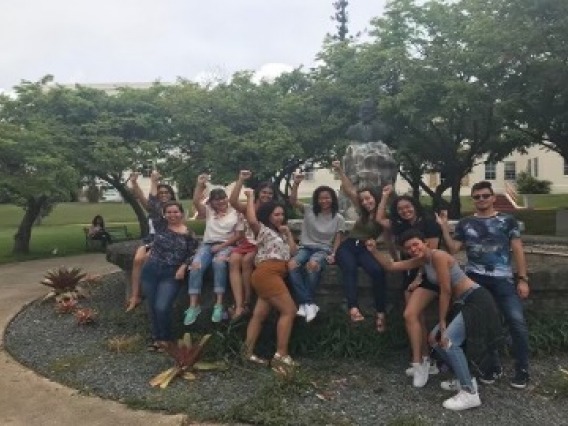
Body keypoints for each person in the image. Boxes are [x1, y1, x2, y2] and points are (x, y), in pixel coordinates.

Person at [366, 229, 502, 411]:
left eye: (416, 244)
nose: (413, 249)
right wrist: (374, 251)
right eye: (409, 248)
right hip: (463, 302)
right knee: (434, 340)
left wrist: (443, 322)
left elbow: (445, 290)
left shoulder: (438, 256)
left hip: (476, 299)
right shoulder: (423, 260)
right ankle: (465, 379)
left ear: (426, 243)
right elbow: (392, 266)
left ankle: (470, 393)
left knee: (448, 341)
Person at [437, 180, 531, 389]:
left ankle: (522, 368)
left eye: (485, 196)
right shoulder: (466, 223)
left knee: (517, 322)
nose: (481, 199)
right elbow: (453, 249)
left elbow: (517, 249)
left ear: (493, 197)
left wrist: (522, 278)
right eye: (477, 196)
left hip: (503, 280)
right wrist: (444, 228)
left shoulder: (507, 221)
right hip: (475, 281)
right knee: (481, 325)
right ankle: (492, 366)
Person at [376, 185, 442, 386]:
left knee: (411, 315)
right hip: (409, 272)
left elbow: (428, 257)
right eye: (400, 209)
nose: (405, 211)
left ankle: (419, 362)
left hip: (429, 273)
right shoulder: (401, 227)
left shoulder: (429, 224)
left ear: (415, 206)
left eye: (408, 207)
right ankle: (425, 359)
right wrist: (385, 196)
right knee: (415, 318)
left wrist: (417, 279)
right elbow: (379, 220)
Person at [241, 188, 299, 371]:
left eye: (282, 214)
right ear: (268, 216)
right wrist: (251, 197)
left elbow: (293, 252)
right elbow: (251, 220)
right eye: (276, 215)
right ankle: (281, 355)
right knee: (289, 310)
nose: (280, 218)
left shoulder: (280, 234)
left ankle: (247, 353)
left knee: (259, 315)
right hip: (268, 273)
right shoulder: (264, 230)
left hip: (271, 275)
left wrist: (288, 234)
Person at [331, 160, 388, 332]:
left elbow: (387, 232)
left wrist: (384, 197)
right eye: (362, 200)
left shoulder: (384, 213)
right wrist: (340, 170)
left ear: (375, 197)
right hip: (348, 246)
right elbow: (349, 190)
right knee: (350, 268)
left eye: (368, 198)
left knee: (378, 272)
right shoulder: (362, 210)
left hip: (365, 248)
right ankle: (353, 308)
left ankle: (381, 313)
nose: (365, 202)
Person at [288, 172, 346, 322]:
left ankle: (304, 303)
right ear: (317, 199)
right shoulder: (309, 210)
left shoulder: (338, 218)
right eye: (321, 198)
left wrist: (334, 253)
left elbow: (338, 238)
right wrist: (296, 183)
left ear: (332, 199)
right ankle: (308, 303)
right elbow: (293, 201)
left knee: (312, 265)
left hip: (323, 249)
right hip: (305, 247)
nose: (324, 200)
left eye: (327, 197)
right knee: (292, 264)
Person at [184, 175, 241, 325]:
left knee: (219, 263)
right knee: (196, 265)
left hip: (227, 245)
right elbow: (196, 201)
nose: (221, 201)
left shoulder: (235, 212)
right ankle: (193, 305)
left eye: (223, 198)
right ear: (212, 201)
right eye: (217, 199)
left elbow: (237, 236)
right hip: (208, 244)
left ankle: (219, 303)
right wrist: (199, 184)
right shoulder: (209, 211)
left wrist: (221, 247)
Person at [140, 201, 198, 352]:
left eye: (176, 212)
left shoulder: (188, 234)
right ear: (164, 214)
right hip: (151, 270)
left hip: (171, 273)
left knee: (162, 306)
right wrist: (153, 181)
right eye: (169, 212)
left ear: (182, 213)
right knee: (152, 307)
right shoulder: (160, 225)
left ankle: (166, 339)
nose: (172, 215)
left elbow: (193, 253)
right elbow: (152, 205)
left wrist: (183, 267)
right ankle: (157, 338)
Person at [228, 170, 275, 320]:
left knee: (247, 260)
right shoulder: (250, 205)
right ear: (258, 193)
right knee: (234, 260)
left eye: (269, 193)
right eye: (264, 192)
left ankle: (247, 301)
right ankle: (239, 303)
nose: (266, 195)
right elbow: (233, 201)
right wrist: (240, 180)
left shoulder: (272, 209)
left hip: (260, 243)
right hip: (246, 242)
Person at [126, 171, 176, 312]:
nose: (163, 194)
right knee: (137, 260)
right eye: (161, 193)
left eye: (166, 192)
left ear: (171, 194)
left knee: (148, 259)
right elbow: (142, 198)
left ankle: (152, 293)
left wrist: (154, 181)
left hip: (166, 239)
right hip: (151, 238)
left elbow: (152, 199)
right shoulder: (153, 207)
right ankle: (135, 296)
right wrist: (135, 183)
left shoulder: (171, 209)